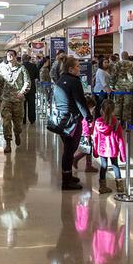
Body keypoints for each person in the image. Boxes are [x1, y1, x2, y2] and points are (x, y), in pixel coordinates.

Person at [52, 56, 92, 190]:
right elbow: (80, 101)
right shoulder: (74, 81)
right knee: (70, 150)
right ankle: (66, 181)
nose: (79, 69)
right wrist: (88, 117)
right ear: (70, 68)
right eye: (77, 67)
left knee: (68, 149)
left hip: (61, 119)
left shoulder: (60, 79)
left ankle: (68, 175)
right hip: (72, 120)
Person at [0, 49, 31, 154]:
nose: (10, 56)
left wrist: (22, 92)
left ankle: (17, 134)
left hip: (18, 100)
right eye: (8, 55)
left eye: (12, 55)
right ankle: (8, 143)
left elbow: (27, 82)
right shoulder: (3, 69)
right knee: (6, 122)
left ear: (15, 56)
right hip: (6, 99)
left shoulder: (21, 68)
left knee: (18, 123)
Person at [91, 99, 127, 194]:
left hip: (102, 149)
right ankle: (120, 187)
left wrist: (95, 151)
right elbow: (120, 140)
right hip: (113, 149)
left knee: (103, 166)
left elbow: (95, 138)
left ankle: (102, 187)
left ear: (101, 109)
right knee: (115, 166)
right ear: (113, 110)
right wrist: (123, 155)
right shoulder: (115, 122)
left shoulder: (98, 122)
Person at [22, 54, 40, 124]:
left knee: (22, 105)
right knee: (32, 105)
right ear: (29, 59)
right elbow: (37, 77)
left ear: (22, 59)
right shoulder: (34, 66)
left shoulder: (20, 66)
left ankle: (23, 119)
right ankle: (32, 119)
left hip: (22, 89)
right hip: (31, 88)